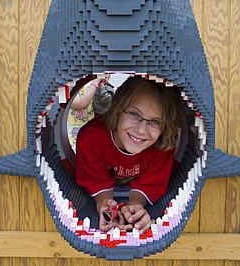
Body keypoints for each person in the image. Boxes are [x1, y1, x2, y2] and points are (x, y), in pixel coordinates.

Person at [75, 76, 185, 233]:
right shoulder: (91, 139)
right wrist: (106, 207)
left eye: (155, 122)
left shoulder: (161, 144)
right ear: (117, 109)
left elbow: (149, 185)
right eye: (134, 114)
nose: (141, 130)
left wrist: (135, 206)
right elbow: (98, 184)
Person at [67, 77, 106, 150]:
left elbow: (104, 106)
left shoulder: (91, 85)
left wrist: (101, 86)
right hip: (74, 138)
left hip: (92, 135)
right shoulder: (66, 86)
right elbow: (82, 104)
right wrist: (95, 83)